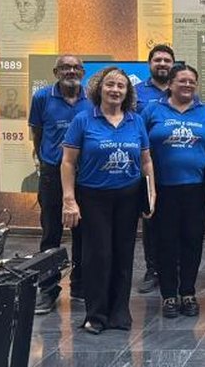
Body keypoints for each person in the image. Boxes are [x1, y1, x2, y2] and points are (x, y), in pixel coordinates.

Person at [60, 67, 155, 334]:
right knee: (98, 255)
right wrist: (70, 199)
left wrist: (151, 193)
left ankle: (119, 313)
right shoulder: (83, 120)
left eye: (121, 86)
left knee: (124, 255)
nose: (115, 90)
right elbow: (67, 162)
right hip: (93, 197)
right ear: (99, 88)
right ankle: (96, 315)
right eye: (110, 85)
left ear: (127, 92)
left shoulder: (135, 121)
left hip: (128, 196)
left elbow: (146, 160)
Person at [141, 64, 205, 318]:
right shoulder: (152, 110)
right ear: (171, 84)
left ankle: (188, 292)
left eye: (191, 82)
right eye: (182, 81)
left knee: (192, 241)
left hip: (197, 190)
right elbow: (142, 150)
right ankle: (168, 295)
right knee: (165, 243)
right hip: (162, 190)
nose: (187, 85)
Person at [29, 55, 92, 315]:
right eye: (65, 67)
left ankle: (79, 285)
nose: (71, 71)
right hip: (53, 173)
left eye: (76, 67)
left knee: (84, 233)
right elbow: (38, 134)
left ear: (83, 71)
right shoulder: (42, 97)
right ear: (56, 72)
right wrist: (47, 161)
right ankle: (48, 289)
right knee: (51, 232)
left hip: (85, 174)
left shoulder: (91, 99)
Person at [134, 43, 175, 294]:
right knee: (151, 218)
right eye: (157, 60)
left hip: (176, 169)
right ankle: (153, 269)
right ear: (150, 64)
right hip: (148, 167)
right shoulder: (136, 93)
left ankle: (174, 267)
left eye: (167, 60)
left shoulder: (181, 89)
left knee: (176, 220)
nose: (162, 64)